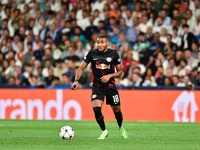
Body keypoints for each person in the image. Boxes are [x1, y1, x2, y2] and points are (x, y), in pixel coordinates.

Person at [71, 34, 127, 140]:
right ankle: (104, 131)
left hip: (110, 86)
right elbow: (81, 68)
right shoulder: (92, 53)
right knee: (96, 108)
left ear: (107, 43)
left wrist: (110, 75)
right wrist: (76, 81)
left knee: (117, 111)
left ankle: (120, 127)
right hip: (97, 86)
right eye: (98, 42)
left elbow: (120, 72)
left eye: (102, 42)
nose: (99, 44)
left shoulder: (114, 54)